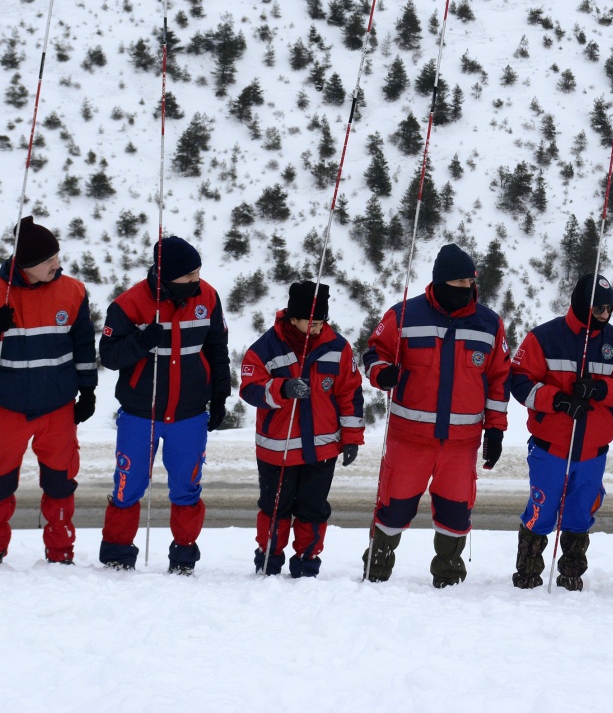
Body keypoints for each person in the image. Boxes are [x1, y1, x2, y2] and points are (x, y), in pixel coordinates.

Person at [361, 243, 511, 587]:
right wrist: (382, 373)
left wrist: (496, 430)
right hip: (408, 439)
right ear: (440, 281)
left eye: (470, 282)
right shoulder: (403, 315)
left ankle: (448, 575)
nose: (466, 289)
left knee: (456, 513)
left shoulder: (489, 324)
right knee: (393, 508)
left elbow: (499, 379)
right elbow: (374, 353)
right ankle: (377, 569)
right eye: (458, 283)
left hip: (461, 443)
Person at [0, 216, 98, 565]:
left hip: (58, 407)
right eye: (48, 260)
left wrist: (88, 391)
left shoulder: (74, 291)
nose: (57, 264)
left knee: (61, 484)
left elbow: (83, 346)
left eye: (56, 256)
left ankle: (61, 553)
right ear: (26, 264)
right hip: (7, 407)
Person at [96, 236, 230, 574]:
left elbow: (217, 350)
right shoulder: (129, 304)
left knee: (187, 486)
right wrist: (142, 341)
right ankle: (117, 552)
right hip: (141, 414)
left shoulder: (208, 298)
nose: (195, 281)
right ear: (165, 275)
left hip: (189, 414)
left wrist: (219, 396)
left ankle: (184, 556)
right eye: (188, 276)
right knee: (128, 486)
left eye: (198, 273)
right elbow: (109, 356)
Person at [507, 273, 613, 590]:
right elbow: (520, 383)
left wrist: (599, 390)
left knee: (581, 514)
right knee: (541, 510)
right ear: (581, 305)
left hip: (593, 452)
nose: (605, 316)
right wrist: (559, 401)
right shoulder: (544, 337)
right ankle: (528, 571)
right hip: (550, 448)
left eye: (610, 309)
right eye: (598, 310)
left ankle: (572, 572)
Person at [239, 281, 364, 577]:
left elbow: (350, 395)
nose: (317, 329)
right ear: (292, 318)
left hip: (322, 449)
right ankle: (269, 560)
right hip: (276, 449)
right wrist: (283, 388)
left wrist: (351, 439)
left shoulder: (338, 347)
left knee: (313, 510)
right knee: (275, 508)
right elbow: (250, 389)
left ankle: (307, 562)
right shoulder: (266, 347)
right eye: (311, 323)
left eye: (321, 323)